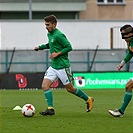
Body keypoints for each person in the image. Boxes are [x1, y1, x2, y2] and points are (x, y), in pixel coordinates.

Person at [34, 15, 94, 116]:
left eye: (48, 25)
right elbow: (51, 44)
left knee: (70, 89)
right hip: (54, 66)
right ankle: (50, 109)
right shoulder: (50, 34)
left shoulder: (59, 35)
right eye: (45, 25)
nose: (46, 27)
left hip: (63, 66)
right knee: (45, 86)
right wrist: (40, 47)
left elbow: (69, 47)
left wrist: (57, 53)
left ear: (54, 24)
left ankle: (88, 99)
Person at [108, 24, 133, 117]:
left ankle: (121, 112)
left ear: (130, 34)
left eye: (124, 35)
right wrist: (122, 63)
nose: (123, 37)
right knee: (128, 87)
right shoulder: (130, 42)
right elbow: (130, 53)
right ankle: (121, 112)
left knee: (129, 86)